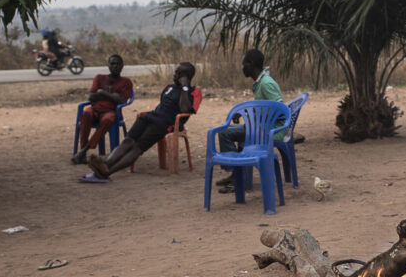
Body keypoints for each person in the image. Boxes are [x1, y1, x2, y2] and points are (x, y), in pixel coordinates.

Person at [86, 62, 199, 180]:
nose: (174, 75)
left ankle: (107, 173)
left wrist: (185, 88)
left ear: (186, 76)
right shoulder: (169, 87)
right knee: (127, 141)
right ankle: (105, 165)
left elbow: (185, 109)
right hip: (151, 116)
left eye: (178, 73)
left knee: (137, 147)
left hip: (165, 124)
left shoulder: (194, 92)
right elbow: (163, 105)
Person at [215, 48, 283, 192]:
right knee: (224, 130)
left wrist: (253, 121)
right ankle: (236, 173)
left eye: (244, 64)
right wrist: (246, 113)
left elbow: (280, 111)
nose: (242, 68)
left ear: (251, 64)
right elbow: (264, 107)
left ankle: (237, 176)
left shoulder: (266, 84)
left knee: (225, 133)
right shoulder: (260, 82)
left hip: (269, 131)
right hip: (261, 128)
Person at [72, 54, 134, 164]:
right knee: (86, 113)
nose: (115, 66)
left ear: (122, 66)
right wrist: (113, 96)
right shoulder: (99, 78)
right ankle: (83, 151)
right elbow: (91, 97)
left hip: (111, 111)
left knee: (108, 119)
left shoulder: (126, 82)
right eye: (112, 64)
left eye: (117, 64)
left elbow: (122, 101)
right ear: (108, 65)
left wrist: (102, 92)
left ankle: (84, 150)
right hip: (95, 109)